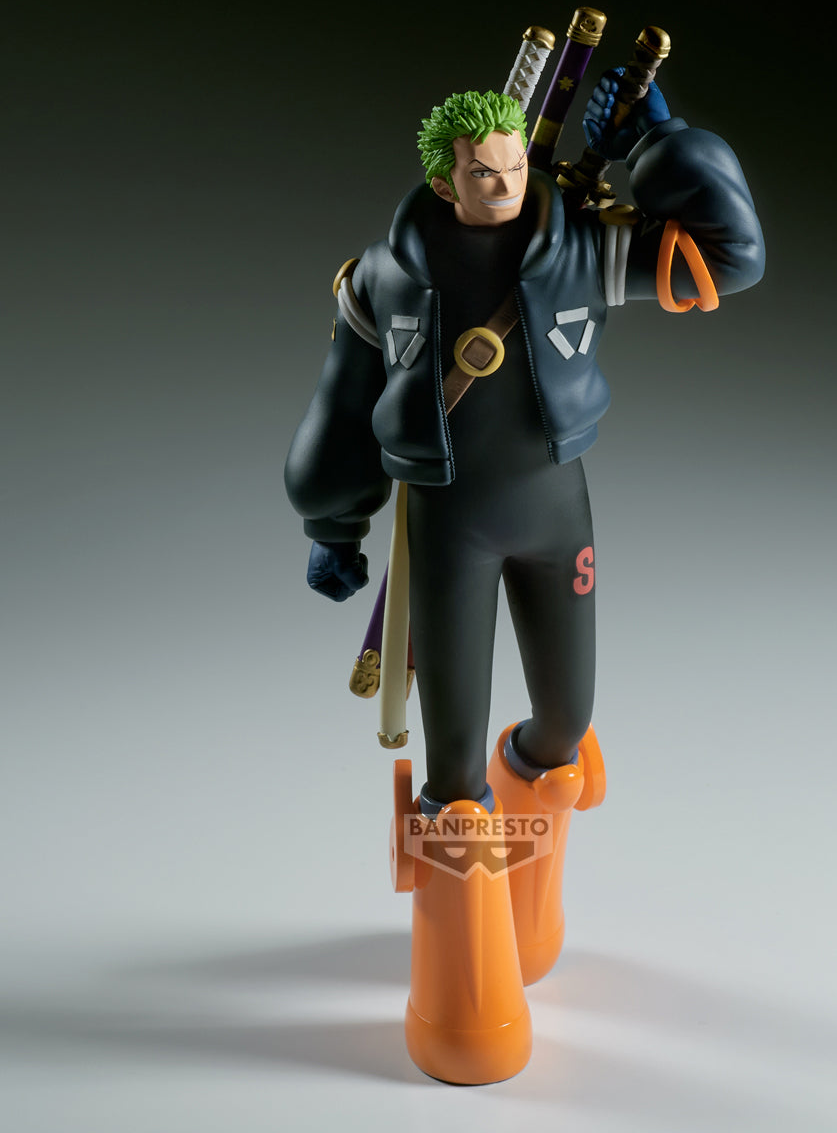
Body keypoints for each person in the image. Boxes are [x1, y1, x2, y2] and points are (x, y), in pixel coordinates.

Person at [285, 77, 764, 1082]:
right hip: (447, 527)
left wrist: (665, 144)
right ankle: (462, 987)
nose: (502, 184)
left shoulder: (579, 250)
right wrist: (332, 519)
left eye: (512, 167)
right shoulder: (382, 278)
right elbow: (343, 400)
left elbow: (733, 256)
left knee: (562, 732)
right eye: (480, 172)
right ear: (443, 179)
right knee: (454, 773)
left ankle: (527, 913)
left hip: (556, 514)